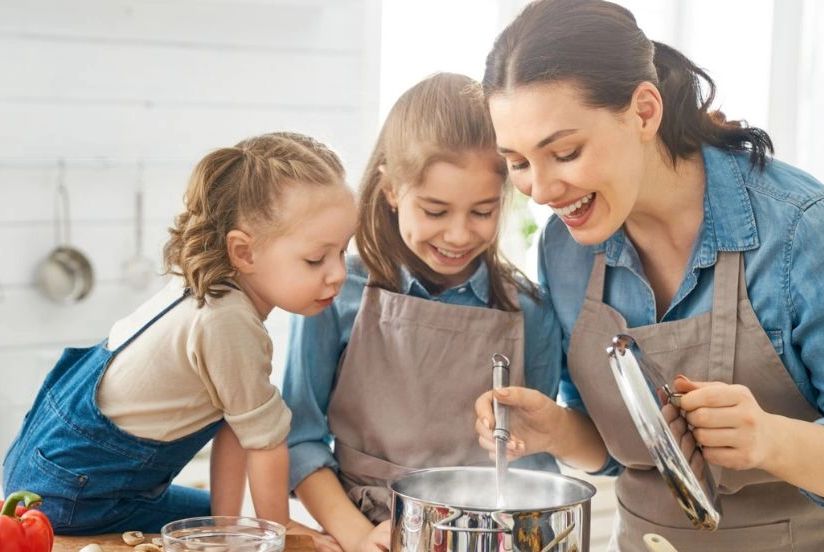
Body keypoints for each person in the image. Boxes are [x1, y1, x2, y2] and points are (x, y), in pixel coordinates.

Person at [472, 1, 824, 550]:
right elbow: (619, 456)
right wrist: (558, 430)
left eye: (564, 152)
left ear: (643, 111)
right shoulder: (566, 249)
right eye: (517, 163)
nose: (540, 191)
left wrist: (773, 440)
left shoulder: (800, 234)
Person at [282, 73, 606, 552]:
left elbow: (534, 459)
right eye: (435, 211)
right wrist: (357, 535)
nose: (458, 236)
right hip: (369, 532)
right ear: (391, 189)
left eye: (482, 212)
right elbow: (298, 441)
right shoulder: (333, 292)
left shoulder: (530, 311)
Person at [2, 132, 357, 536]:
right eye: (316, 259)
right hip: (77, 495)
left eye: (343, 251)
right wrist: (279, 530)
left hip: (46, 473)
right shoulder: (229, 322)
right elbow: (265, 443)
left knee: (222, 520)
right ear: (244, 252)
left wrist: (228, 528)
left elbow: (238, 425)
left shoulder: (203, 287)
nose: (339, 274)